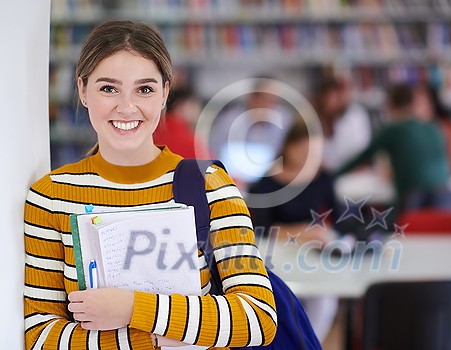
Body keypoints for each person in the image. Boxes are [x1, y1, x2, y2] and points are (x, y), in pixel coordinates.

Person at [24, 21, 276, 349]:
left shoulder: (211, 186)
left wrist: (132, 308)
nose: (127, 107)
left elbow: (257, 318)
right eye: (108, 88)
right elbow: (40, 336)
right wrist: (158, 335)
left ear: (164, 94)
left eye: (144, 89)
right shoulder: (50, 197)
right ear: (83, 90)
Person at [249, 117, 339, 343]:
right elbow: (261, 228)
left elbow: (340, 219)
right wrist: (302, 232)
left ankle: (306, 344)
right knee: (286, 301)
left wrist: (327, 235)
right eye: (304, 150)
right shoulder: (267, 182)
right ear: (288, 147)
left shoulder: (323, 178)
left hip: (315, 255)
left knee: (326, 299)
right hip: (279, 257)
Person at [336, 82, 451, 217]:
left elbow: (361, 157)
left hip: (411, 205)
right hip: (445, 204)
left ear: (390, 105)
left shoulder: (393, 130)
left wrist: (331, 176)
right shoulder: (434, 128)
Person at [208, 76, 294, 186]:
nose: (268, 106)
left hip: (273, 182)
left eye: (273, 101)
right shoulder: (229, 120)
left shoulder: (286, 121)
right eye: (264, 100)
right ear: (252, 98)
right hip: (231, 181)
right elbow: (212, 152)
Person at [412, 82, 451, 211]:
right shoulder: (416, 130)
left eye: (418, 104)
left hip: (448, 192)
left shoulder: (446, 130)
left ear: (432, 105)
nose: (413, 109)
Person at [153, 85, 212, 158]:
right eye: (193, 104)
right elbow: (211, 166)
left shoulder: (152, 130)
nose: (198, 110)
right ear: (181, 106)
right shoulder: (189, 140)